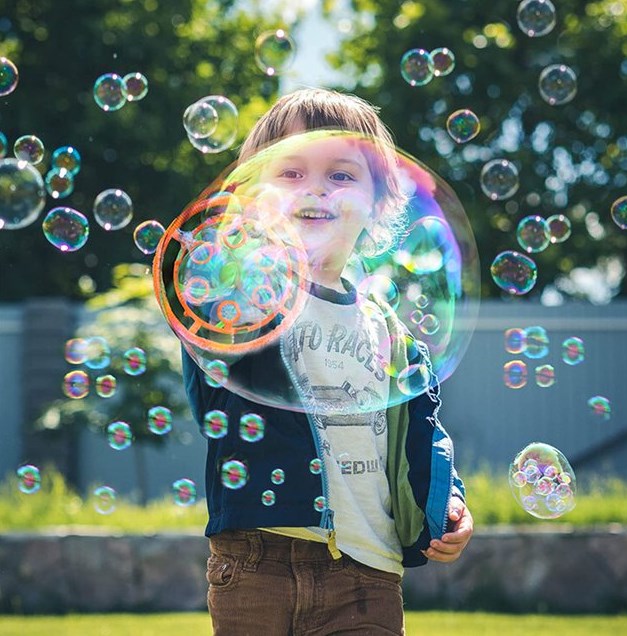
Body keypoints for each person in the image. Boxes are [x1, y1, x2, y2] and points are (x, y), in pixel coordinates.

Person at [175, 88, 473, 635]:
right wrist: (226, 268)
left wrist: (449, 502)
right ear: (254, 196)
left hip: (368, 574)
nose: (316, 187)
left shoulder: (391, 331)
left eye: (341, 175)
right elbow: (207, 348)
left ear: (378, 202)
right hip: (257, 557)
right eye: (290, 173)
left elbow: (422, 434)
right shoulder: (243, 300)